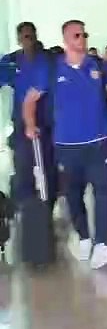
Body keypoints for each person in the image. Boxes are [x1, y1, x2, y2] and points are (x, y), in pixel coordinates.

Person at [20, 20, 107, 270]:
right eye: (77, 35)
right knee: (72, 195)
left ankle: (102, 244)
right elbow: (30, 99)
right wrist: (29, 124)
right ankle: (83, 236)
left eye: (85, 35)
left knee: (103, 191)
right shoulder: (51, 70)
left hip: (100, 142)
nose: (82, 39)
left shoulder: (101, 68)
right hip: (66, 145)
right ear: (66, 40)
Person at [0, 22, 54, 207]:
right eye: (25, 37)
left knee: (48, 167)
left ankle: (48, 205)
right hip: (22, 123)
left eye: (31, 36)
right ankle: (25, 209)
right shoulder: (11, 61)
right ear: (19, 40)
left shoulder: (46, 60)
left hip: (46, 121)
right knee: (23, 167)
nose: (29, 41)